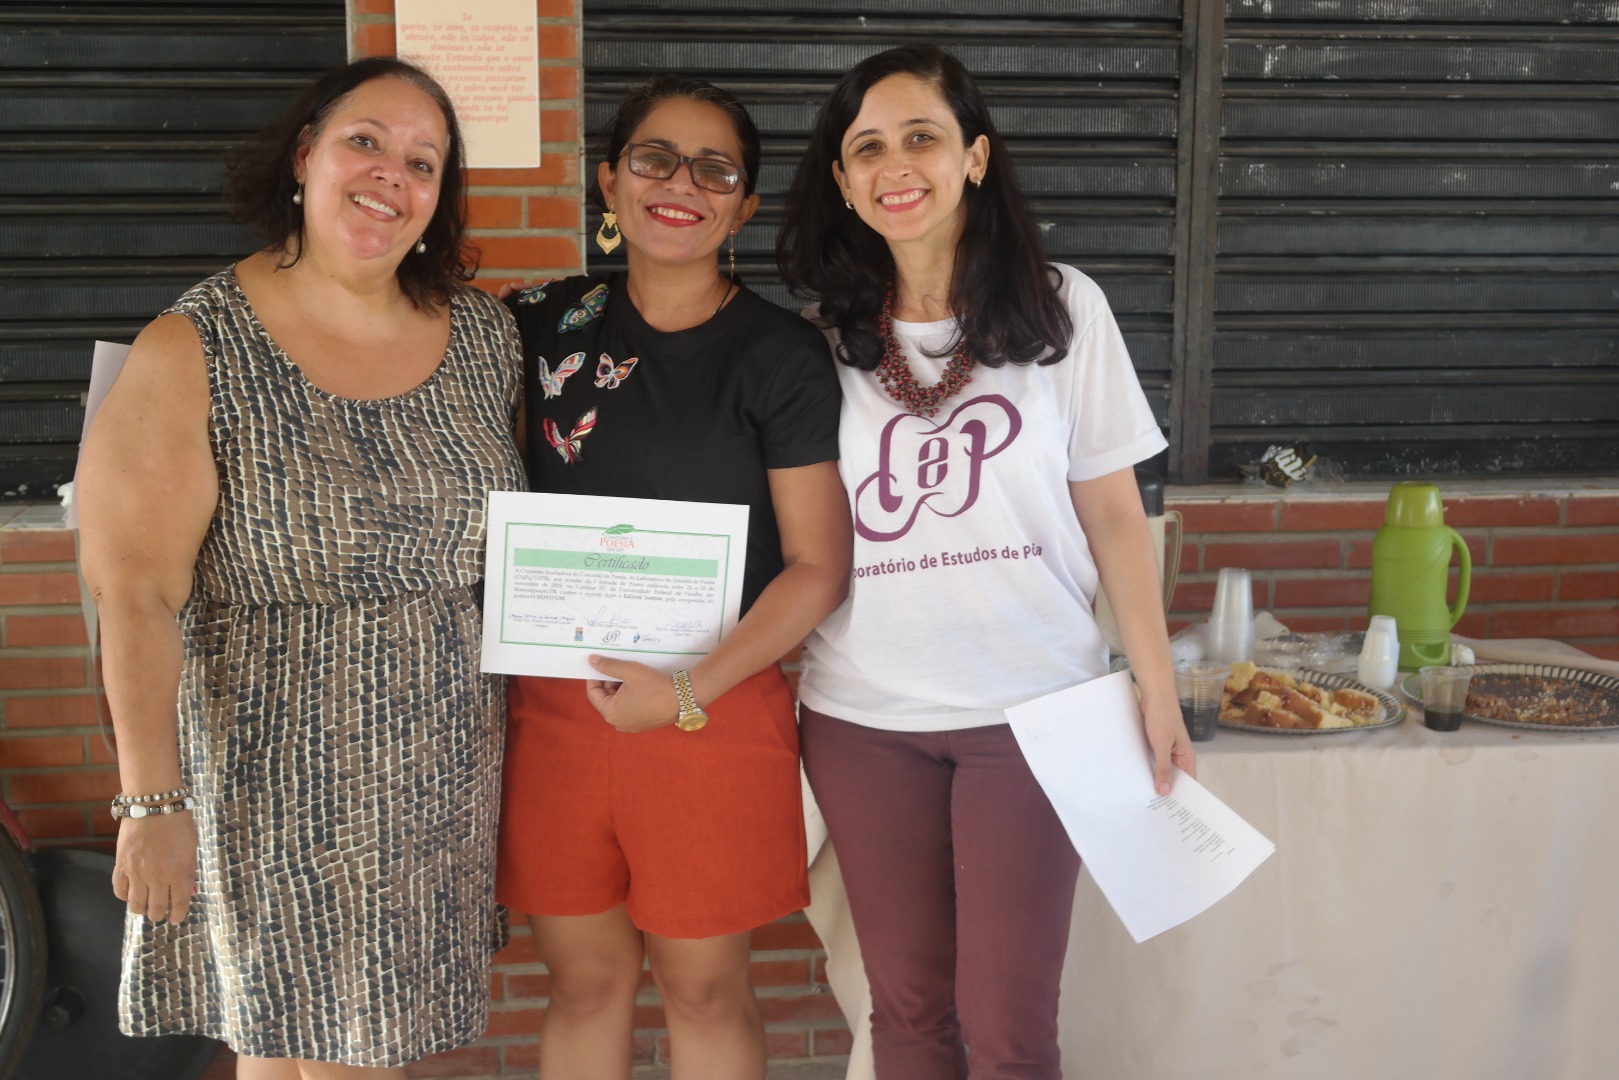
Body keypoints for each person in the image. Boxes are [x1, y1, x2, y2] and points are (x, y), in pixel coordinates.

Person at [76, 57, 526, 1078]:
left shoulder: (485, 339)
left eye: (423, 161)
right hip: (273, 777)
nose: (391, 174)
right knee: (307, 1053)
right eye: (365, 141)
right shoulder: (194, 346)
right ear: (303, 156)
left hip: (441, 780)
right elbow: (135, 593)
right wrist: (150, 802)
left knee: (379, 1053)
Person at [777, 44, 1195, 1079]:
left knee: (1008, 1028)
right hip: (862, 718)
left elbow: (1114, 513)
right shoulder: (816, 342)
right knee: (905, 1015)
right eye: (866, 147)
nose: (894, 165)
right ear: (841, 179)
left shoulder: (1063, 308)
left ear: (973, 157)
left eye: (920, 137)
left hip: (1035, 715)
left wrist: (1156, 688)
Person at [496, 77, 851, 1080]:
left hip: (713, 708)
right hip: (556, 709)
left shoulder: (779, 356)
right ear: (609, 182)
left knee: (704, 992)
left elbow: (818, 567)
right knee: (584, 985)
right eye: (654, 159)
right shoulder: (535, 327)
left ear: (743, 206)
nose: (680, 185)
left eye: (714, 170)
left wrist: (687, 690)